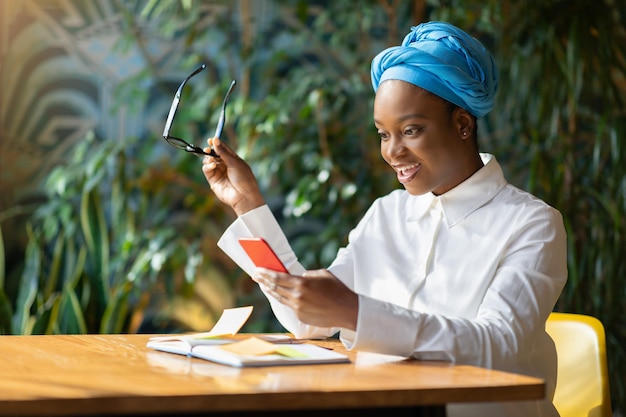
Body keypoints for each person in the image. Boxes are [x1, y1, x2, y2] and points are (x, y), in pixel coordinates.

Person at [201, 21, 567, 417]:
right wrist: (248, 204)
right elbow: (307, 319)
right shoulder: (387, 214)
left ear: (462, 124)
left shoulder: (532, 224)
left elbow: (497, 345)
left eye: (410, 130)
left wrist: (356, 313)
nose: (392, 152)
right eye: (383, 134)